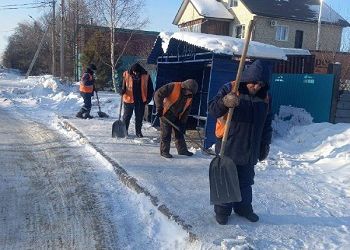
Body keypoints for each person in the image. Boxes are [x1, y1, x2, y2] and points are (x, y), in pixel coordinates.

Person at [208, 60, 272, 224]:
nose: (256, 87)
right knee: (226, 178)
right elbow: (213, 109)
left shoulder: (264, 97)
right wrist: (225, 102)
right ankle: (222, 211)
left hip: (251, 147)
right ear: (247, 78)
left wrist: (264, 144)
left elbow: (266, 123)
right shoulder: (231, 88)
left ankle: (244, 208)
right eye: (254, 82)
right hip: (229, 144)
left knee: (246, 181)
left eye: (260, 84)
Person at [154, 79, 198, 158]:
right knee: (166, 134)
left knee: (179, 133)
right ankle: (164, 151)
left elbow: (187, 110)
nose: (190, 94)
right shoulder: (173, 86)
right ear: (185, 88)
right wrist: (159, 108)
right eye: (189, 91)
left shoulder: (189, 96)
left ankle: (182, 150)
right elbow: (158, 94)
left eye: (191, 93)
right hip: (165, 113)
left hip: (177, 116)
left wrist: (182, 123)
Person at [120, 63, 154, 137]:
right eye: (134, 72)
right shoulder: (126, 74)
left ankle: (138, 132)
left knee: (139, 117)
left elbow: (150, 88)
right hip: (128, 99)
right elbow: (121, 85)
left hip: (140, 100)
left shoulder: (146, 75)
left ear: (140, 71)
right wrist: (121, 90)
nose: (135, 73)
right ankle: (124, 131)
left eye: (137, 72)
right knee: (126, 117)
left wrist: (148, 98)